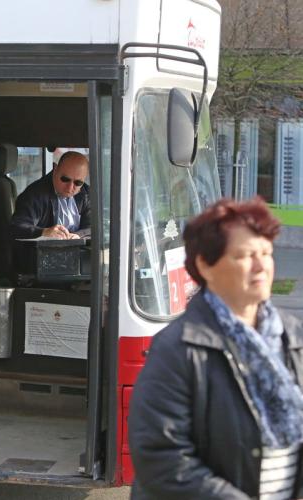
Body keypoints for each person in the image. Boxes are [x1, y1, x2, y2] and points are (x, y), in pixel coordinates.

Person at [128, 197, 303, 499]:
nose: (261, 266)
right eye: (246, 255)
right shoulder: (177, 348)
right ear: (205, 266)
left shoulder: (292, 336)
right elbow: (162, 458)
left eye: (266, 253)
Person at [9, 150, 91, 241]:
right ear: (55, 169)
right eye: (65, 179)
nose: (70, 187)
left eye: (78, 182)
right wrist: (44, 232)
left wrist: (78, 236)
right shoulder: (35, 194)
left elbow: (95, 227)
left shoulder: (86, 194)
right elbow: (17, 227)